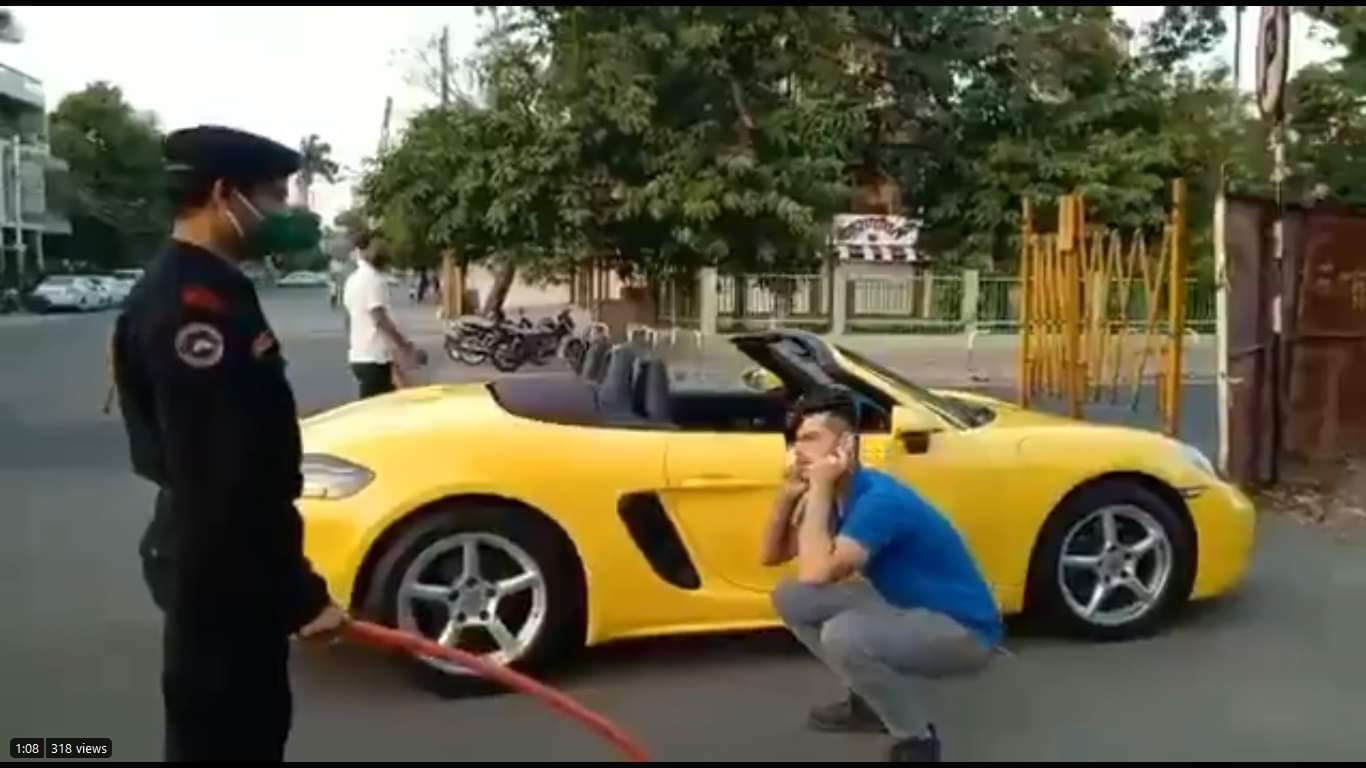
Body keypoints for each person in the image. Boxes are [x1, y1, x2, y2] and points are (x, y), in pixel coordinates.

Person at [109, 125, 348, 762]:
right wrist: (299, 594)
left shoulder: (215, 286)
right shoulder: (193, 307)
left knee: (246, 732)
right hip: (221, 577)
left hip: (222, 567)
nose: (282, 212)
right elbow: (221, 476)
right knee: (227, 740)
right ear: (223, 195)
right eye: (272, 195)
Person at [762, 387, 1003, 763]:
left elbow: (817, 573)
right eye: (795, 441)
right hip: (904, 609)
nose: (798, 451)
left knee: (844, 635)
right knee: (790, 596)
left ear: (846, 445)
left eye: (811, 439)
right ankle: (869, 698)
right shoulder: (834, 495)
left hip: (963, 632)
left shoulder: (879, 500)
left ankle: (918, 740)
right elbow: (771, 556)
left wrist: (820, 487)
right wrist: (788, 495)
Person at [342, 232, 420, 399]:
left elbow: (349, 319)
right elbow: (379, 319)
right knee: (375, 415)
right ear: (366, 250)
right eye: (377, 246)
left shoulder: (352, 280)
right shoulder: (373, 280)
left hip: (361, 355)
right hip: (374, 359)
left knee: (387, 405)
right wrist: (403, 345)